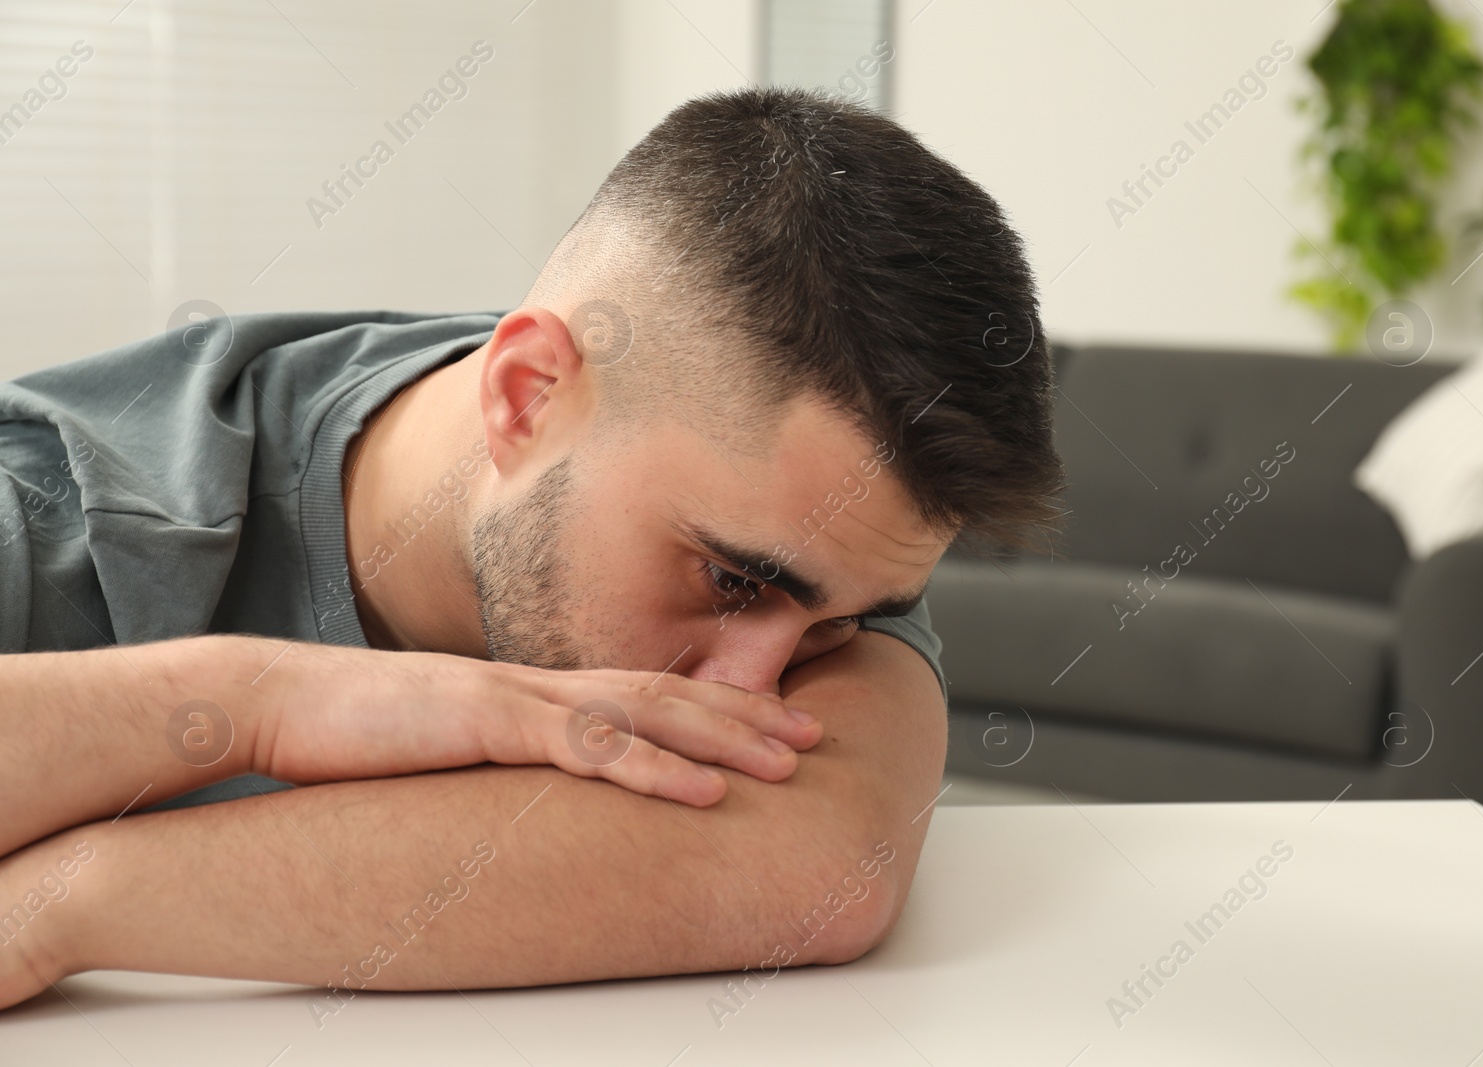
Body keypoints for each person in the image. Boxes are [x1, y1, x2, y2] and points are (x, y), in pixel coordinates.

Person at [0, 86, 1061, 1012]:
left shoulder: (797, 507)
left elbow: (821, 863)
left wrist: (75, 898)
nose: (760, 691)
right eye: (731, 580)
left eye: (842, 619)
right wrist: (259, 699)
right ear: (525, 395)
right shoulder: (53, 515)